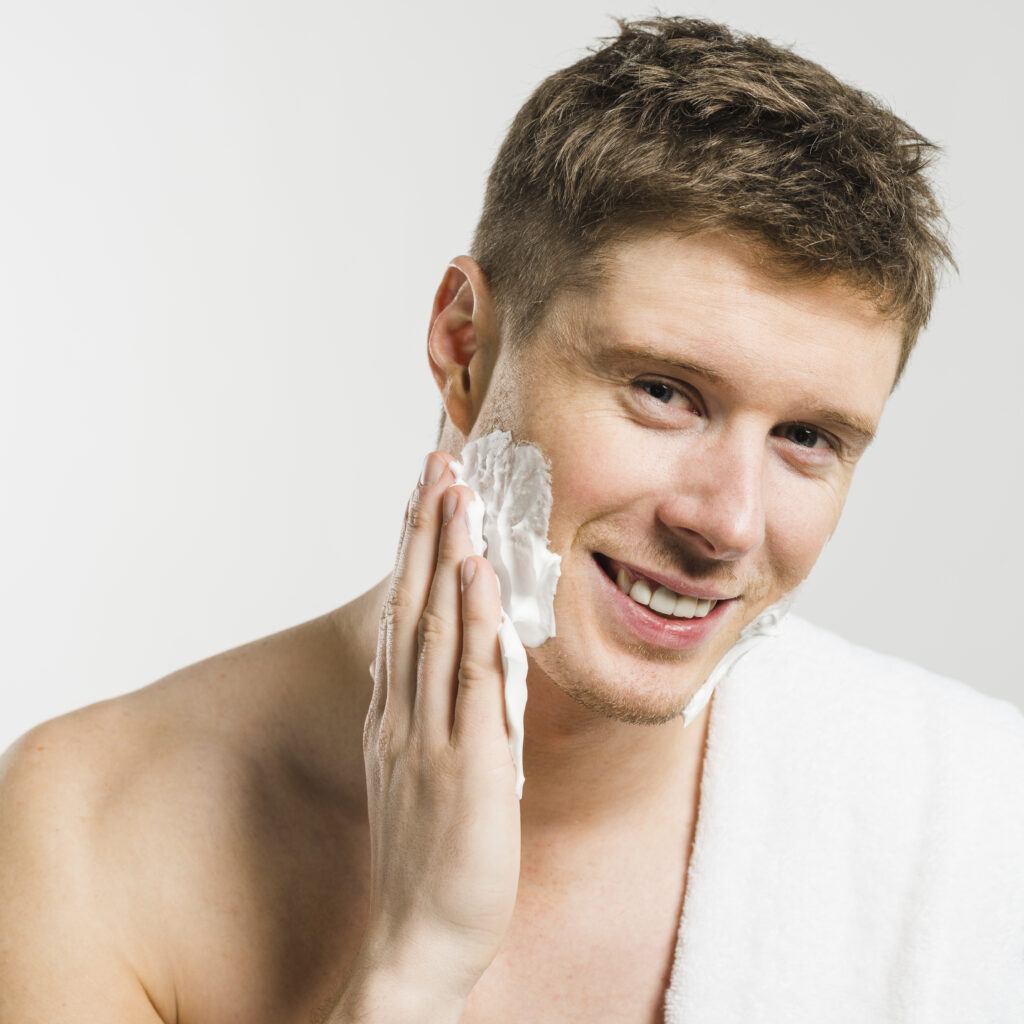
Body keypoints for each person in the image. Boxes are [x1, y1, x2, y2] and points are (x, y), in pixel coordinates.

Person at [1, 15, 1021, 1023]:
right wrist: (412, 967)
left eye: (807, 436)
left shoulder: (972, 825)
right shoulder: (92, 837)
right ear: (462, 343)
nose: (727, 524)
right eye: (664, 390)